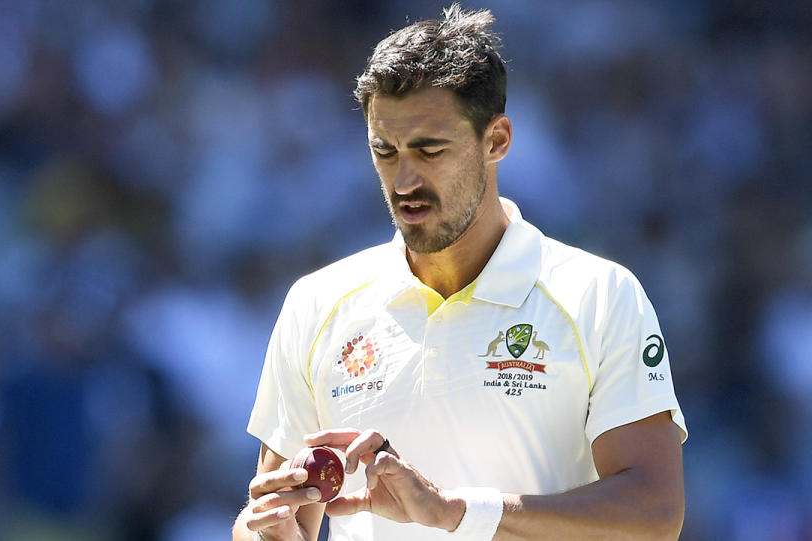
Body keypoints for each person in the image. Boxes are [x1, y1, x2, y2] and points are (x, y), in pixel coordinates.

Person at [232, 4, 687, 540]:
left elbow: (655, 514)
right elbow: (273, 520)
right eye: (385, 151)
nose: (403, 181)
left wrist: (456, 511)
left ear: (496, 141)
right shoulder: (317, 303)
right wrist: (268, 534)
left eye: (430, 150)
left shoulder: (599, 295)